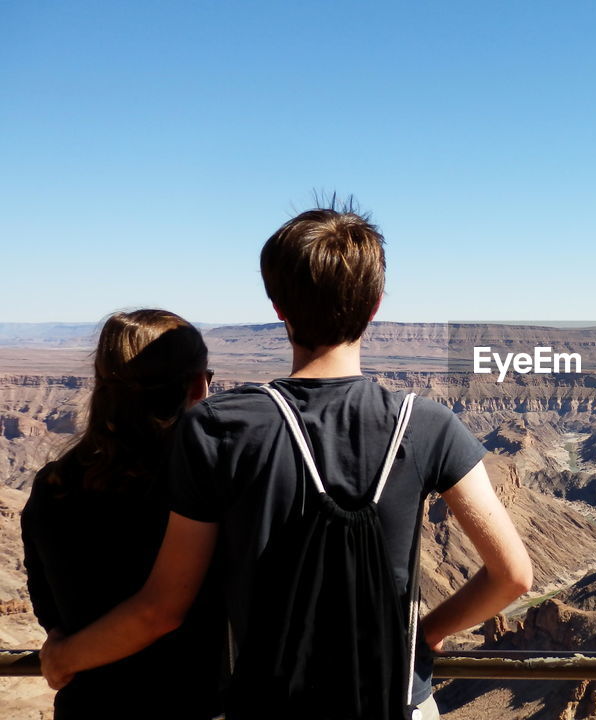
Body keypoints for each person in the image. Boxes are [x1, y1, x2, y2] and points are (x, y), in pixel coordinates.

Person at [38, 203, 533, 719]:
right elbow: (513, 576)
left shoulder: (216, 427)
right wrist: (422, 636)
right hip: (394, 699)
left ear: (277, 306)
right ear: (375, 305)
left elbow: (163, 607)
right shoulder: (429, 424)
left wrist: (66, 656)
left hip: (272, 702)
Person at [22, 309, 222, 719]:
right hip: (195, 704)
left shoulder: (52, 486)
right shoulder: (211, 489)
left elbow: (49, 607)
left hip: (91, 704)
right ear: (198, 386)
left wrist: (67, 654)